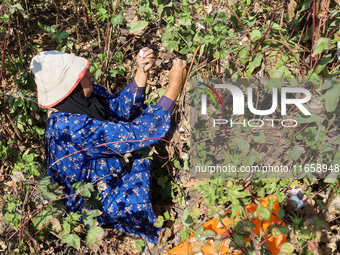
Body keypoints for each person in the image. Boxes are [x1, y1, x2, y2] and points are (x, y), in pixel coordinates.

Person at [30, 48, 187, 243]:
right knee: (138, 160)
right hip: (91, 198)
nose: (89, 74)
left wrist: (142, 71)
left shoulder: (86, 97)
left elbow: (118, 107)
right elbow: (134, 135)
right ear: (70, 88)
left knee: (139, 144)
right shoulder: (70, 128)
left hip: (104, 173)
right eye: (82, 74)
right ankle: (145, 230)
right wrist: (174, 87)